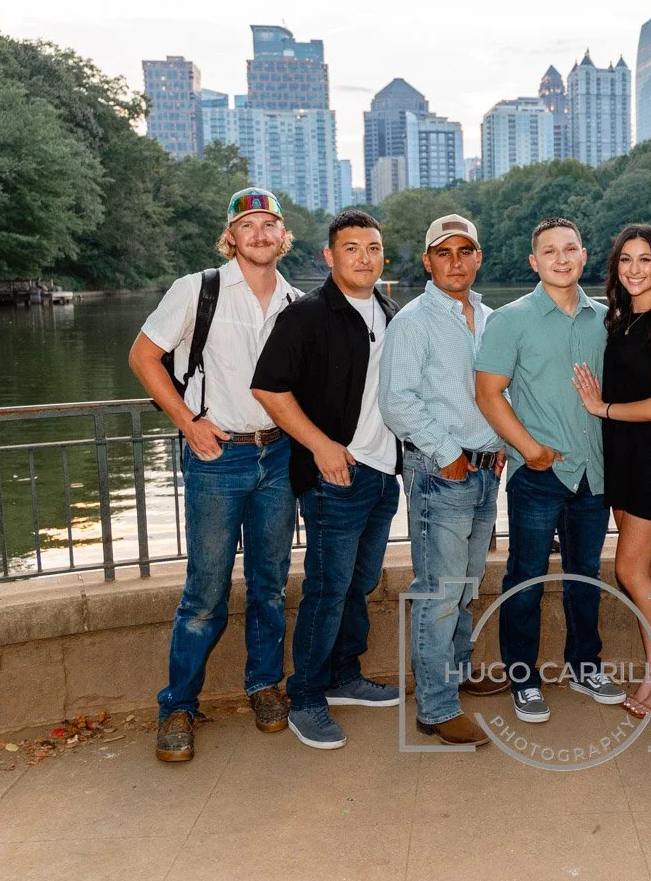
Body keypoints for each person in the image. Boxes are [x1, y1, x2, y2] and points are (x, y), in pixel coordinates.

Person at [128, 187, 301, 763]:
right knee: (205, 592)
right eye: (246, 225)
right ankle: (177, 706)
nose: (258, 234)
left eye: (268, 225)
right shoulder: (197, 290)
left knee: (271, 586)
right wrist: (186, 422)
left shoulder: (296, 302)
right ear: (230, 237)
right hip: (216, 455)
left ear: (282, 237)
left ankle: (264, 687)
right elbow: (143, 356)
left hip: (278, 457)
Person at [250, 210, 402, 751]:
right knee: (327, 588)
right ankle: (307, 695)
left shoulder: (389, 310)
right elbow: (268, 388)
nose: (365, 257)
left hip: (384, 474)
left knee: (358, 584)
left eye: (374, 247)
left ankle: (343, 674)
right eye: (353, 248)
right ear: (329, 256)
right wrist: (320, 445)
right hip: (336, 476)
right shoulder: (306, 315)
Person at [474, 216, 628, 724]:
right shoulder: (510, 320)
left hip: (594, 475)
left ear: (584, 256)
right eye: (549, 251)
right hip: (538, 475)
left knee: (587, 575)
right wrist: (530, 450)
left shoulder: (607, 319)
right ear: (533, 262)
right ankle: (523, 679)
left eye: (570, 249)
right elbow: (488, 394)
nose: (561, 259)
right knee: (527, 577)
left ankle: (585, 666)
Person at [378, 214, 508, 747]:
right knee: (439, 592)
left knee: (467, 585)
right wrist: (448, 451)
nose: (456, 262)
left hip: (483, 471)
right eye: (444, 253)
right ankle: (434, 706)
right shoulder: (413, 320)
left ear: (478, 258)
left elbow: (498, 390)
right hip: (439, 472)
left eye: (465, 251)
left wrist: (498, 442)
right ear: (428, 261)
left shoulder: (491, 316)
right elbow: (396, 401)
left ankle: (454, 672)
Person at [571, 224, 651, 718]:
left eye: (645, 260)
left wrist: (600, 408)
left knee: (628, 567)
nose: (635, 269)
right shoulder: (618, 320)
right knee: (643, 569)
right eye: (626, 259)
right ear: (615, 267)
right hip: (621, 456)